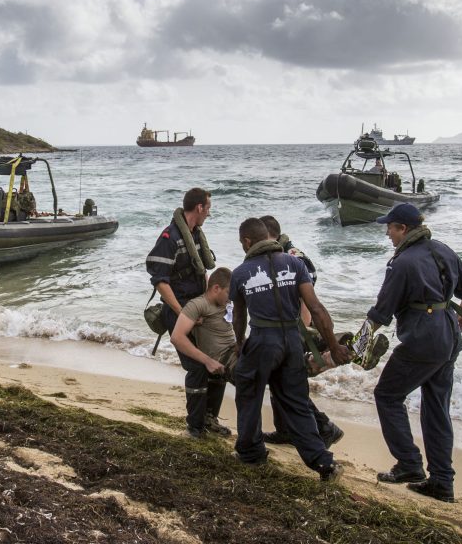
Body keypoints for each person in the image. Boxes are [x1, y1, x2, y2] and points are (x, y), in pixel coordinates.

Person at [369, 202, 462, 503]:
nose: (387, 233)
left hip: (423, 340)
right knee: (436, 407)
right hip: (449, 337)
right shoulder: (444, 249)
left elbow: (381, 312)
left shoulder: (402, 262)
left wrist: (356, 347)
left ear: (403, 229)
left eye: (390, 227)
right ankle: (442, 482)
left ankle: (409, 464)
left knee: (387, 396)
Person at [231, 217, 350, 481]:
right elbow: (316, 309)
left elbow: (239, 318)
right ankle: (324, 463)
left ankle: (251, 453)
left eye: (242, 242)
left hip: (262, 339)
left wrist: (240, 345)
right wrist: (333, 345)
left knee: (249, 393)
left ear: (248, 241)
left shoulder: (240, 272)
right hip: (292, 340)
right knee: (296, 403)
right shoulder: (295, 263)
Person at [258, 215, 342, 447]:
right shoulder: (277, 254)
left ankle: (325, 428)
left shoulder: (292, 257)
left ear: (267, 235)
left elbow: (305, 299)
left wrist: (301, 332)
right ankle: (284, 429)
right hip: (287, 326)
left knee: (289, 381)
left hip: (298, 328)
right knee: (280, 378)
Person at [145, 187, 216, 438]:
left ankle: (209, 420)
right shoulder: (170, 237)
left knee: (215, 363)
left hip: (198, 308)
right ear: (199, 208)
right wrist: (182, 312)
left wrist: (210, 305)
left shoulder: (195, 235)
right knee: (197, 367)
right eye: (208, 207)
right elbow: (160, 282)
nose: (209, 212)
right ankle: (195, 428)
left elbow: (201, 271)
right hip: (180, 311)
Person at [169, 267, 236, 437]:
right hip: (221, 356)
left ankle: (209, 419)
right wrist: (208, 361)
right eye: (229, 292)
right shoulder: (198, 305)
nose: (232, 296)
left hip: (235, 351)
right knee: (253, 379)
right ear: (216, 288)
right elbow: (177, 337)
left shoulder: (226, 303)